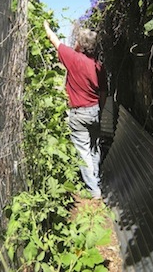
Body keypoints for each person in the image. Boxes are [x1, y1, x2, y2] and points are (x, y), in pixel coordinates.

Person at [44, 20, 107, 199]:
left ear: (80, 45)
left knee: (84, 151)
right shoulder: (99, 67)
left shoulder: (73, 58)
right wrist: (99, 110)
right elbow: (103, 92)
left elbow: (54, 40)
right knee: (94, 147)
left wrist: (46, 26)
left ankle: (94, 191)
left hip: (78, 114)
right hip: (94, 111)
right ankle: (96, 178)